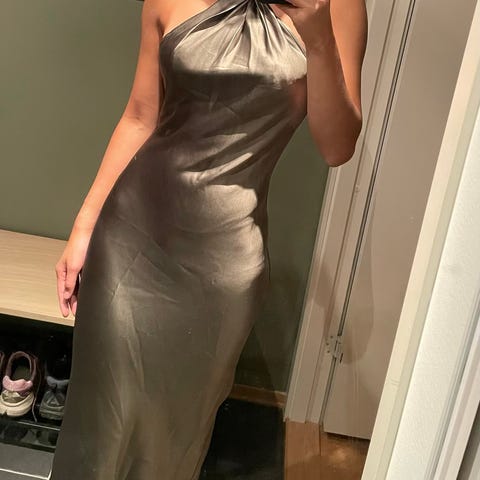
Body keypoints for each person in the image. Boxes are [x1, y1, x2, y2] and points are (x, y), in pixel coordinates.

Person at [51, 0, 367, 478]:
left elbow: (337, 147)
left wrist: (319, 37)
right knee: (102, 415)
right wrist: (83, 228)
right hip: (130, 239)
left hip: (224, 265)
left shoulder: (336, 5)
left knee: (175, 431)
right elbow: (140, 117)